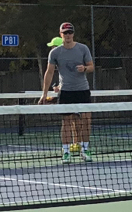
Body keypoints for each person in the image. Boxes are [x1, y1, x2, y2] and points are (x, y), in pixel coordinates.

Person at [40, 21, 95, 161]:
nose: (68, 35)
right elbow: (49, 72)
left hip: (82, 90)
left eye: (70, 32)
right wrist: (44, 93)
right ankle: (66, 152)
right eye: (65, 33)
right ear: (61, 34)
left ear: (73, 34)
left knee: (86, 121)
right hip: (66, 92)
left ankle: (85, 149)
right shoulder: (55, 52)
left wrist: (85, 69)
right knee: (66, 122)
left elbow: (91, 67)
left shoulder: (83, 49)